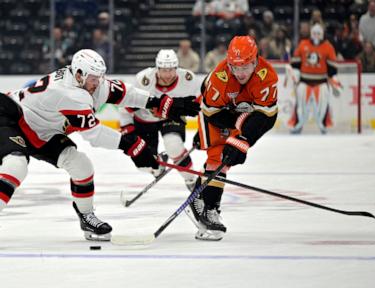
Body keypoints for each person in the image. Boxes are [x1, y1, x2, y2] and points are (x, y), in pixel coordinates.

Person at [0, 49, 200, 242]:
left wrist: (163, 103)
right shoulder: (69, 93)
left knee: (82, 166)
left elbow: (126, 94)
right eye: (93, 78)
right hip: (11, 117)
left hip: (42, 131)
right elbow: (94, 135)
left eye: (100, 77)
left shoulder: (89, 81)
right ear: (79, 74)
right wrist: (133, 145)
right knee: (16, 166)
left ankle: (86, 217)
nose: (98, 83)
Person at [188, 36, 278, 241]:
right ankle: (209, 207)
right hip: (213, 111)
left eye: (245, 66)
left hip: (240, 115)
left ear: (255, 61)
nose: (240, 72)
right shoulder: (220, 77)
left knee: (227, 159)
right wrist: (235, 132)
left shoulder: (267, 76)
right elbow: (211, 113)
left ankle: (199, 196)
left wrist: (243, 139)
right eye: (235, 67)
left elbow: (267, 117)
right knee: (218, 158)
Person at [119, 49, 200, 191]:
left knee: (173, 145)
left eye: (171, 70)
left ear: (177, 68)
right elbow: (125, 106)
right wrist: (127, 128)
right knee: (144, 163)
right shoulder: (143, 80)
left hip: (171, 117)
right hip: (144, 121)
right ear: (157, 68)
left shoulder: (188, 79)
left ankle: (191, 179)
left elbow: (202, 105)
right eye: (164, 70)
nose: (168, 75)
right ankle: (157, 167)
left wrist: (205, 128)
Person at [288, 24, 341, 134]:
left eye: (318, 33)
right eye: (314, 33)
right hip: (304, 81)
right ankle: (297, 125)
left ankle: (323, 125)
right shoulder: (303, 44)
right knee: (300, 108)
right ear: (311, 34)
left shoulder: (328, 47)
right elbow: (296, 64)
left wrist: (335, 83)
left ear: (322, 35)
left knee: (322, 106)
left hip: (321, 82)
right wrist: (295, 76)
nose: (316, 36)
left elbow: (332, 70)